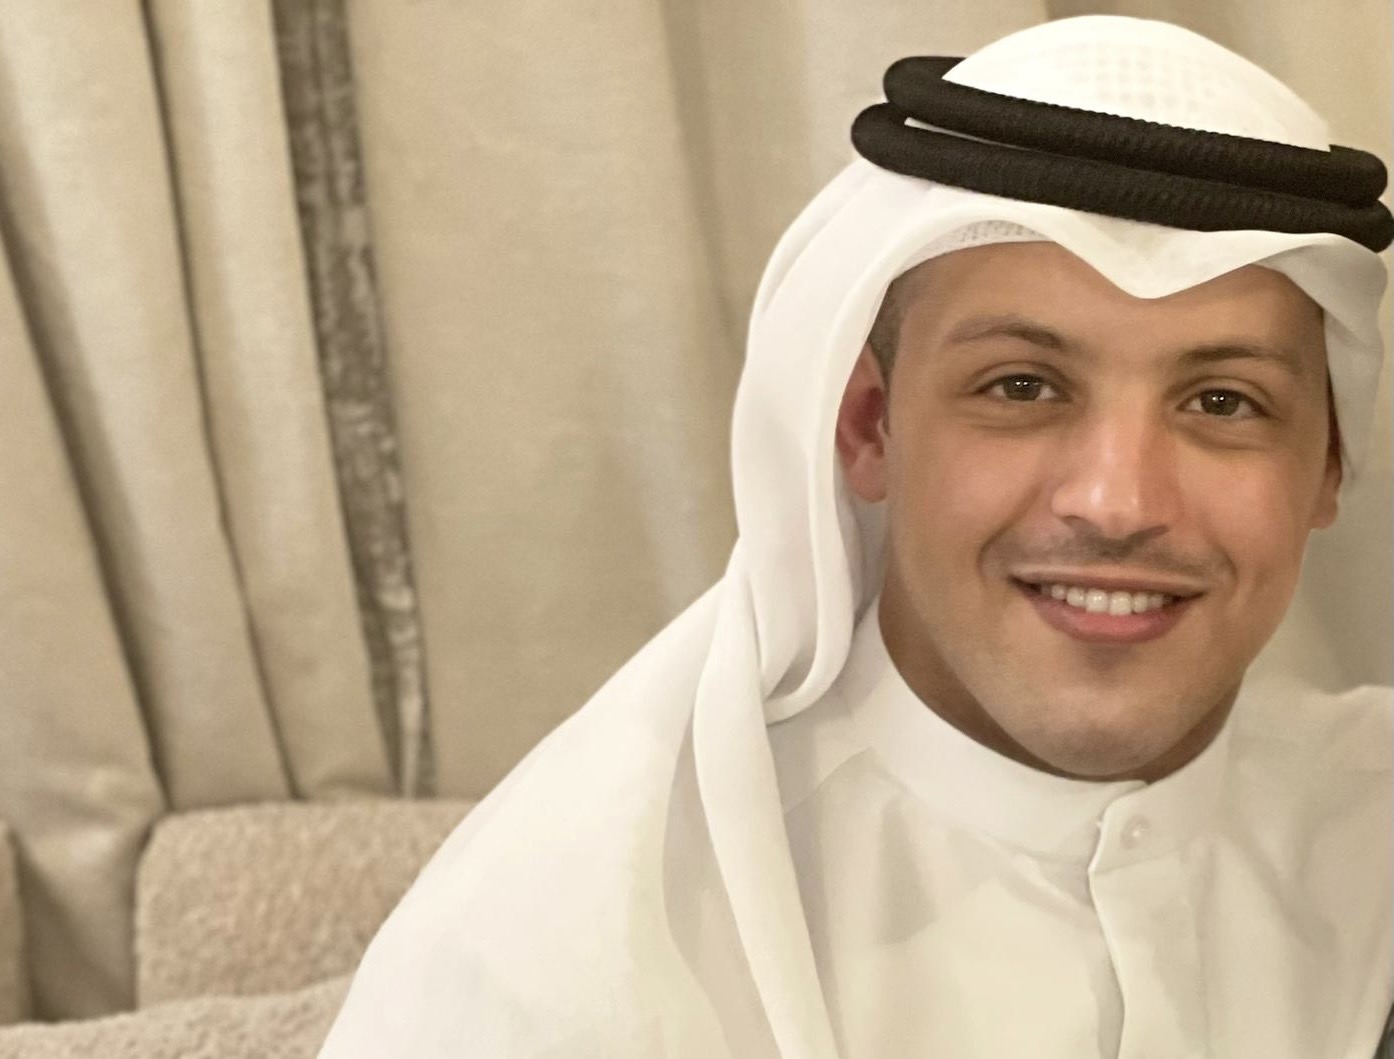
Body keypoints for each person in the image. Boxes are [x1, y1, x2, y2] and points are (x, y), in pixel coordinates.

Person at [318, 15, 1393, 1058]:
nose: (1116, 502)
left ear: (1326, 464)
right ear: (868, 427)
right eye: (1020, 386)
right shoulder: (565, 951)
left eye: (1222, 403)